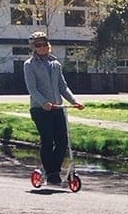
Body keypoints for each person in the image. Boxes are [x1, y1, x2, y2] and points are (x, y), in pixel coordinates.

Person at [22, 31, 84, 186]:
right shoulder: (29, 65)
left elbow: (63, 87)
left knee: (63, 141)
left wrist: (75, 101)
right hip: (40, 109)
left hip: (57, 108)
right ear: (34, 48)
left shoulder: (55, 64)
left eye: (44, 44)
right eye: (38, 45)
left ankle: (54, 171)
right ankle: (51, 175)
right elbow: (32, 89)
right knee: (48, 140)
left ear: (48, 45)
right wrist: (44, 103)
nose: (42, 47)